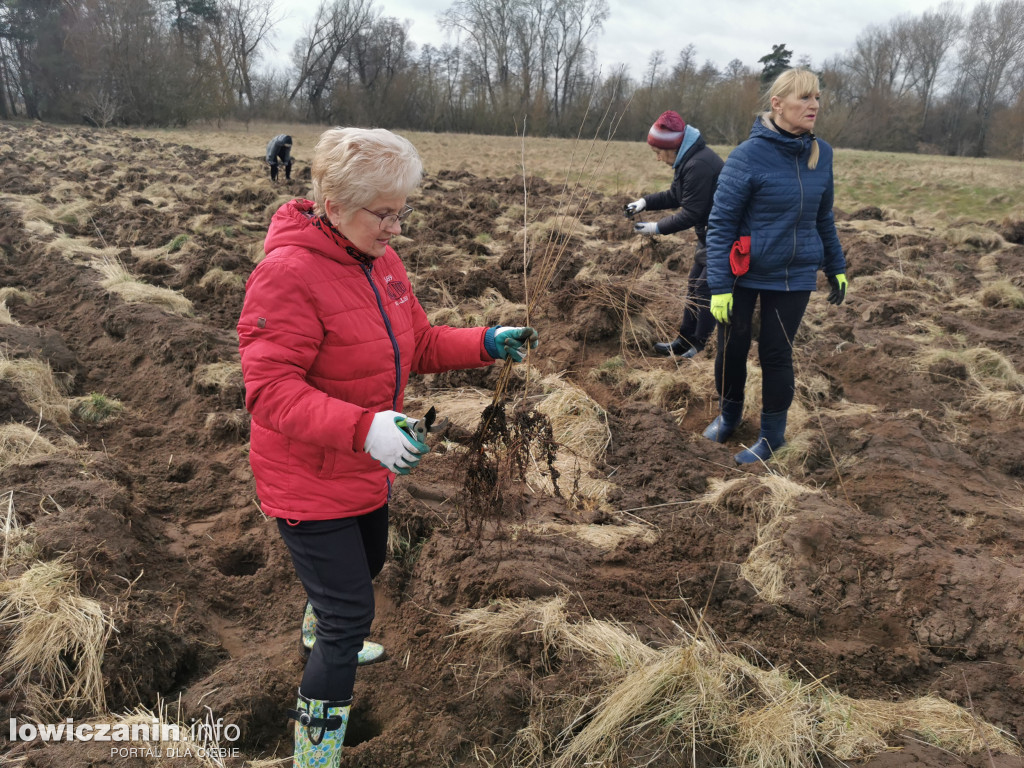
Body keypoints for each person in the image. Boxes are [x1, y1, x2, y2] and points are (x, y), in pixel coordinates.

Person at [237, 127, 538, 768]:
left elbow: (419, 342)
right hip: (307, 476)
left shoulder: (380, 261)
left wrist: (486, 341)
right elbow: (270, 393)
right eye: (385, 213)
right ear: (334, 202)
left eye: (402, 211)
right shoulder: (286, 276)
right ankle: (314, 754)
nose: (397, 227)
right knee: (351, 617)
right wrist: (363, 427)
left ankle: (319, 622)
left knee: (368, 564)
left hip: (365, 467)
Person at [703, 68, 848, 464]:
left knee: (776, 353)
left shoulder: (823, 154)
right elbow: (720, 224)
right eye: (804, 98)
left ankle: (772, 437)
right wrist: (718, 286)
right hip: (745, 272)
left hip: (795, 273)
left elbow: (824, 216)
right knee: (732, 347)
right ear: (777, 104)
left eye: (816, 97)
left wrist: (836, 265)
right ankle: (729, 415)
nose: (814, 105)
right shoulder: (747, 156)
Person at [625, 110, 724, 359]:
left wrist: (655, 228)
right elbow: (676, 196)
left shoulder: (698, 164)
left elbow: (690, 212)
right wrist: (644, 202)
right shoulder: (688, 160)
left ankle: (698, 348)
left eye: (658, 152)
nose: (658, 158)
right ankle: (683, 342)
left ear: (672, 146)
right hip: (709, 236)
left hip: (725, 236)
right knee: (694, 285)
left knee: (704, 289)